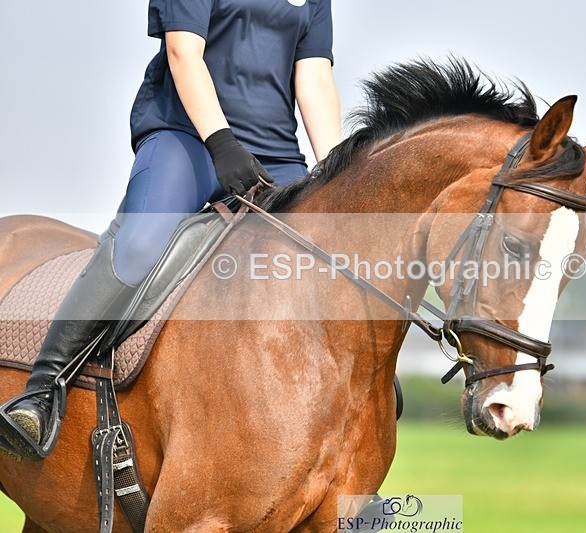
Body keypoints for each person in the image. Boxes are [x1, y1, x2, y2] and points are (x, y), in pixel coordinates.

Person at [0, 0, 341, 456]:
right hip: (187, 137)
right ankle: (41, 391)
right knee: (139, 246)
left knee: (329, 254)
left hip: (274, 155)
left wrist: (336, 174)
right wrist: (222, 143)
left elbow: (314, 77)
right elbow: (183, 51)